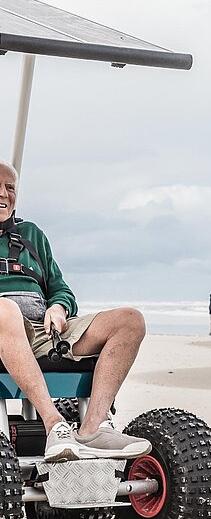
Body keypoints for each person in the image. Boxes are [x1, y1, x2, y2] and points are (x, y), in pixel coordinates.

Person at [0, 160, 151, 463]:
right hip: (3, 325)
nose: (4, 193)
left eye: (10, 187)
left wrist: (59, 307)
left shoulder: (31, 235)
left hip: (41, 330)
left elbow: (61, 289)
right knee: (5, 310)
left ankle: (93, 428)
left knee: (130, 321)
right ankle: (54, 425)